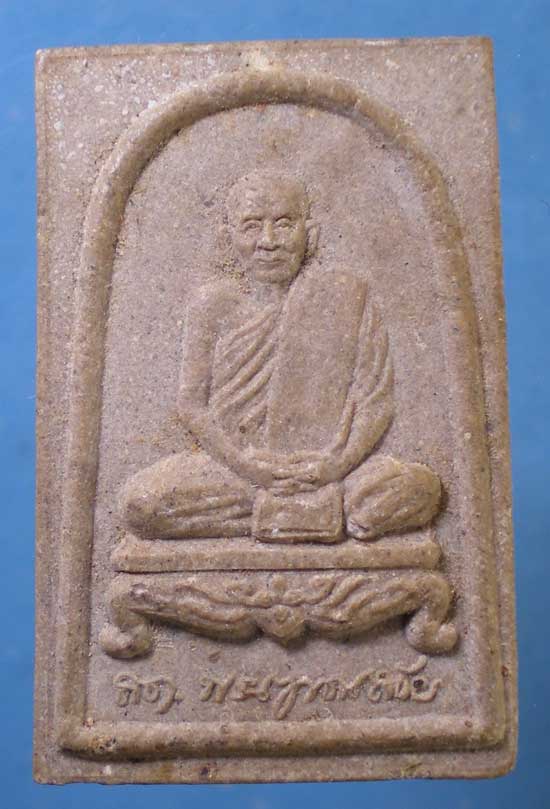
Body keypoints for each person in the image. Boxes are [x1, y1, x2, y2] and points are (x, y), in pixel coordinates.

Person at [120, 171, 441, 543]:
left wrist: (335, 465)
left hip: (331, 470)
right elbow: (192, 406)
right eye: (252, 227)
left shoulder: (347, 296)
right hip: (237, 473)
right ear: (227, 239)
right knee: (141, 504)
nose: (268, 242)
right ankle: (308, 514)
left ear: (311, 235)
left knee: (422, 488)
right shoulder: (213, 305)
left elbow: (375, 402)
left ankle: (294, 511)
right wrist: (249, 467)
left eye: (284, 225)